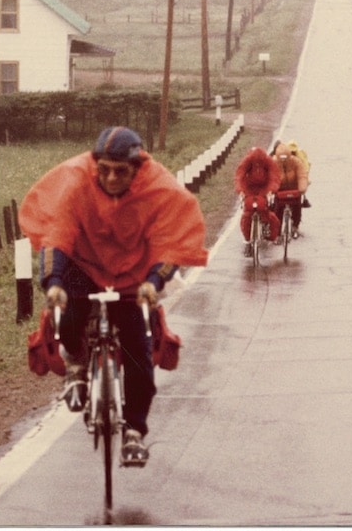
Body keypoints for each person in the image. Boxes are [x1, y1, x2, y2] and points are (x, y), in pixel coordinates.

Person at [19, 126, 209, 467]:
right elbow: (58, 233)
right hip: (83, 265)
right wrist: (53, 282)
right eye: (103, 169)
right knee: (72, 313)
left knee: (138, 353)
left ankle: (135, 432)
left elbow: (170, 241)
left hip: (131, 274)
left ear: (137, 168)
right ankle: (75, 363)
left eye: (120, 171)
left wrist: (154, 282)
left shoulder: (158, 188)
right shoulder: (77, 181)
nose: (110, 178)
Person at [234, 146, 282, 256]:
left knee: (264, 208)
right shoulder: (248, 161)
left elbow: (274, 177)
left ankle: (266, 227)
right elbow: (239, 175)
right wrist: (240, 190)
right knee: (247, 214)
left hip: (264, 189)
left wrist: (271, 190)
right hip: (249, 188)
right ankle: (248, 241)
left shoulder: (268, 162)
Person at [270, 139, 310, 238]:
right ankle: (277, 233)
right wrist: (273, 188)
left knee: (297, 208)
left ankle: (295, 227)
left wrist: (302, 188)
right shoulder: (273, 162)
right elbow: (270, 176)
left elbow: (302, 175)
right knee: (277, 210)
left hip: (294, 189)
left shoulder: (296, 162)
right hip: (280, 190)